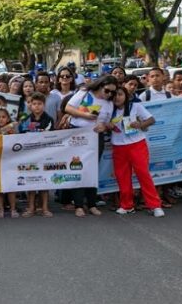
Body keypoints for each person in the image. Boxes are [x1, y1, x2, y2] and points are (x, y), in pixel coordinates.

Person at [64, 75, 116, 217]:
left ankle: (92, 204)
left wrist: (104, 127)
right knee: (78, 167)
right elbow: (68, 108)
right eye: (107, 91)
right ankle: (78, 205)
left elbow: (109, 123)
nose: (109, 94)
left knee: (92, 170)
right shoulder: (84, 93)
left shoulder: (109, 103)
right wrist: (85, 115)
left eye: (113, 92)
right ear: (100, 86)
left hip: (96, 138)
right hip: (78, 134)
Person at [109, 87, 164, 217]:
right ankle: (127, 205)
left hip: (137, 144)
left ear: (126, 96)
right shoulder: (109, 109)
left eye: (120, 94)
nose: (117, 97)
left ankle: (155, 205)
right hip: (118, 146)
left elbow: (151, 120)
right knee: (122, 177)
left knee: (143, 174)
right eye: (114, 95)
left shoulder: (136, 106)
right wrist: (108, 126)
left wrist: (140, 125)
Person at [18, 92, 54, 218]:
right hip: (30, 156)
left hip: (44, 155)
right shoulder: (25, 120)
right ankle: (31, 208)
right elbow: (21, 137)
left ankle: (44, 208)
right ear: (30, 106)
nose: (37, 106)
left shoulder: (49, 119)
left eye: (40, 104)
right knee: (31, 183)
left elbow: (51, 137)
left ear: (44, 105)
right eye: (34, 104)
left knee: (44, 183)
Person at [0, 108, 18, 218]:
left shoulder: (12, 131)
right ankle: (1, 209)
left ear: (7, 118)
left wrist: (11, 128)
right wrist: (8, 127)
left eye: (3, 117)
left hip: (10, 161)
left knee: (11, 187)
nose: (1, 119)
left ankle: (13, 209)